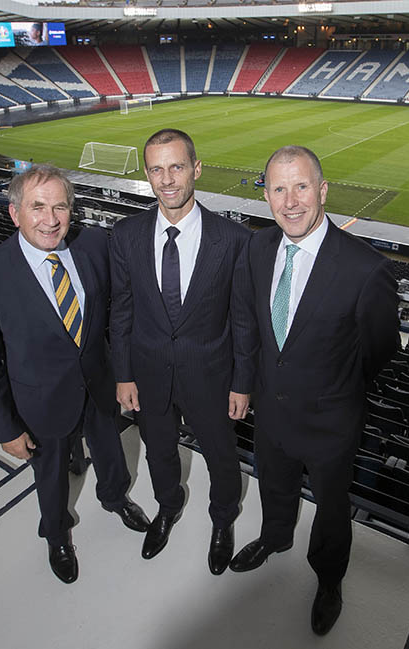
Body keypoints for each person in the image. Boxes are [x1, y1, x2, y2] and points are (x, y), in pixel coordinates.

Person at [229, 146, 399, 635]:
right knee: (274, 486)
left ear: (322, 190)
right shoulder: (257, 248)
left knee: (331, 509)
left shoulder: (366, 269)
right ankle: (274, 538)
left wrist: (335, 389)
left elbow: (379, 350)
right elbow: (249, 322)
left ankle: (328, 581)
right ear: (267, 196)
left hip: (331, 421)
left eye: (301, 186)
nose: (290, 201)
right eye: (278, 189)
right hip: (271, 413)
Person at [0, 164, 149, 585]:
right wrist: (4, 427)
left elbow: (117, 312)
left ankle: (116, 498)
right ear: (15, 214)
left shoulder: (94, 245)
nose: (50, 219)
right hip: (40, 401)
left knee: (110, 449)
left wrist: (123, 373)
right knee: (49, 475)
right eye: (38, 207)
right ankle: (56, 534)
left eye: (60, 207)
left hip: (97, 384)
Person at [109, 128, 255, 575]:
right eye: (157, 169)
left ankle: (222, 520)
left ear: (196, 168)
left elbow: (242, 319)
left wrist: (242, 382)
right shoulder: (126, 234)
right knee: (157, 450)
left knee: (221, 456)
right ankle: (167, 507)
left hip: (211, 374)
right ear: (147, 174)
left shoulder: (233, 239)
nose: (167, 179)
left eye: (176, 166)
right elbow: (122, 311)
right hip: (149, 373)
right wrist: (123, 374)